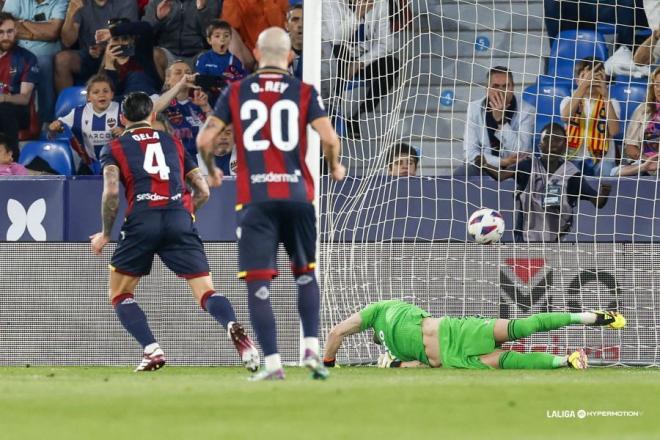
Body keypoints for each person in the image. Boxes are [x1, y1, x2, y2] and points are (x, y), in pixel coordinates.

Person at [197, 27, 346, 381]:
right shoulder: (303, 91)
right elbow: (329, 137)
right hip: (296, 195)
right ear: (290, 56)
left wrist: (214, 171)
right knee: (305, 273)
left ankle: (275, 364)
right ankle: (311, 348)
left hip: (256, 199)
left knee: (258, 283)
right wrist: (334, 165)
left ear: (258, 55)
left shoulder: (236, 91)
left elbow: (205, 138)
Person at [90, 91, 259, 372]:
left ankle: (152, 350)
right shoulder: (174, 143)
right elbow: (202, 190)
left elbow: (111, 192)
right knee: (206, 292)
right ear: (152, 116)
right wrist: (186, 213)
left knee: (120, 294)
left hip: (142, 220)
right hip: (179, 217)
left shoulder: (116, 146)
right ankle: (231, 324)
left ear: (122, 118)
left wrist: (106, 233)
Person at [323, 299, 626, 370]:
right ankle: (567, 361)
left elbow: (337, 332)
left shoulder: (380, 309)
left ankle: (588, 317)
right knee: (507, 360)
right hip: (454, 353)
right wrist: (394, 364)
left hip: (455, 331)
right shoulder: (394, 354)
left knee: (519, 329)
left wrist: (328, 363)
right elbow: (423, 365)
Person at [497, 123, 611, 242]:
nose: (552, 145)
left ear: (565, 146)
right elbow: (501, 175)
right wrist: (485, 164)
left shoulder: (572, 174)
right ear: (540, 145)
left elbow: (597, 201)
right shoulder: (528, 166)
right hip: (524, 239)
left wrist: (604, 193)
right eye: (548, 140)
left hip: (556, 242)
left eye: (557, 141)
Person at [324, 0, 399, 139]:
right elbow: (336, 38)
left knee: (391, 65)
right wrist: (358, 15)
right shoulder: (330, 2)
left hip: (363, 58)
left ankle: (357, 114)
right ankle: (334, 114)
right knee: (339, 52)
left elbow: (385, 44)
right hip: (335, 55)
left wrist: (361, 62)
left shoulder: (379, 3)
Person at [456, 66, 534, 178]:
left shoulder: (527, 111)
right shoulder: (474, 108)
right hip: (486, 166)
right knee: (461, 173)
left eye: (506, 86)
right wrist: (502, 162)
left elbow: (521, 153)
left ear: (513, 88)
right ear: (487, 89)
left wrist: (501, 121)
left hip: (514, 168)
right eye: (496, 86)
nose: (501, 91)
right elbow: (470, 153)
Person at [2, 0, 67, 123]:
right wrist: (38, 32)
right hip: (15, 51)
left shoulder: (59, 2)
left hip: (44, 55)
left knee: (42, 64)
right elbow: (5, 26)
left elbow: (52, 32)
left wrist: (24, 23)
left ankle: (46, 120)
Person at [55, 0, 138, 93]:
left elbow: (128, 39)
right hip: (88, 55)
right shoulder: (80, 2)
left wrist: (103, 48)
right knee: (62, 60)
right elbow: (67, 42)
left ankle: (108, 101)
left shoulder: (127, 2)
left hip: (118, 54)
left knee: (113, 53)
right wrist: (70, 14)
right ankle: (67, 106)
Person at [48, 73, 122, 174]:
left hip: (116, 164)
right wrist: (53, 128)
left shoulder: (121, 110)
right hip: (89, 164)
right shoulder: (78, 113)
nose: (102, 94)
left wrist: (124, 131)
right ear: (88, 97)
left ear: (112, 94)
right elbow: (54, 130)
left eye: (106, 91)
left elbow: (136, 131)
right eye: (96, 92)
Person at [560, 58, 620, 177]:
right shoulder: (568, 100)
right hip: (573, 157)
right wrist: (583, 86)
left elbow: (614, 131)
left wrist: (605, 96)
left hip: (603, 159)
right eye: (586, 77)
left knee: (606, 171)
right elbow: (565, 116)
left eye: (595, 77)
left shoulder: (612, 102)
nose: (590, 81)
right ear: (577, 80)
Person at [153, 61, 212, 159]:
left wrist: (206, 107)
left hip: (196, 161)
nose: (184, 76)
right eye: (178, 72)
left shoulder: (200, 102)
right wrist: (179, 85)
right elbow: (152, 111)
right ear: (167, 79)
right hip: (167, 159)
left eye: (188, 73)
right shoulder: (156, 99)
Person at [0, 12, 39, 159]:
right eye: (1, 32)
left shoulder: (26, 58)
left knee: (3, 110)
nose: (6, 37)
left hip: (19, 112)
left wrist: (3, 98)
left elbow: (24, 98)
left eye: (10, 31)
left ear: (16, 31)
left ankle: (12, 160)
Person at [143, 0, 221, 70]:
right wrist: (158, 18)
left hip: (198, 54)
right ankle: (163, 85)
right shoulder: (157, 1)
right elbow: (143, 34)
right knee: (154, 54)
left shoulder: (209, 1)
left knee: (211, 58)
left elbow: (213, 35)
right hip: (168, 54)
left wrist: (202, 11)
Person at [95, 18, 162, 98]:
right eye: (115, 39)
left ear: (132, 39)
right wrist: (109, 66)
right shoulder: (105, 62)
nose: (120, 43)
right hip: (124, 104)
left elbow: (145, 27)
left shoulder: (142, 52)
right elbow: (111, 93)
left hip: (148, 98)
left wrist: (113, 32)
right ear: (109, 42)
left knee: (137, 76)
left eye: (125, 39)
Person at [614, 67, 660, 176]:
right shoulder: (642, 110)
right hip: (645, 165)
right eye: (657, 85)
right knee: (615, 172)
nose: (659, 89)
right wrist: (647, 161)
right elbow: (630, 148)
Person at [220, 0, 289, 71]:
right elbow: (231, 29)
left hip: (275, 55)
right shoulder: (234, 2)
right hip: (248, 60)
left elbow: (280, 28)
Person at [194, 19, 245, 105]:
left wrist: (233, 79)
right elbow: (200, 81)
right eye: (217, 36)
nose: (222, 39)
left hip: (228, 102)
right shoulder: (204, 58)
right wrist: (223, 80)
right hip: (208, 101)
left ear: (230, 39)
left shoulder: (235, 61)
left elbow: (240, 82)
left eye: (226, 36)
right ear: (209, 40)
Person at [285, 4, 302, 79]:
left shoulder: (322, 47)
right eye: (295, 20)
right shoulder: (277, 50)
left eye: (305, 19)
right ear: (287, 26)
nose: (300, 25)